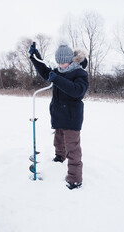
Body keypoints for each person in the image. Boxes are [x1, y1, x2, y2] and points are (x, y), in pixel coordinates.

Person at [29, 43, 89, 190]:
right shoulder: (58, 70)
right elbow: (46, 72)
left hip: (71, 116)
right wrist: (35, 57)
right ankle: (59, 157)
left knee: (72, 148)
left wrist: (56, 79)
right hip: (58, 114)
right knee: (58, 140)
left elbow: (77, 91)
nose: (61, 65)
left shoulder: (80, 73)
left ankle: (75, 179)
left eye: (64, 62)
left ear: (71, 60)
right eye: (59, 62)